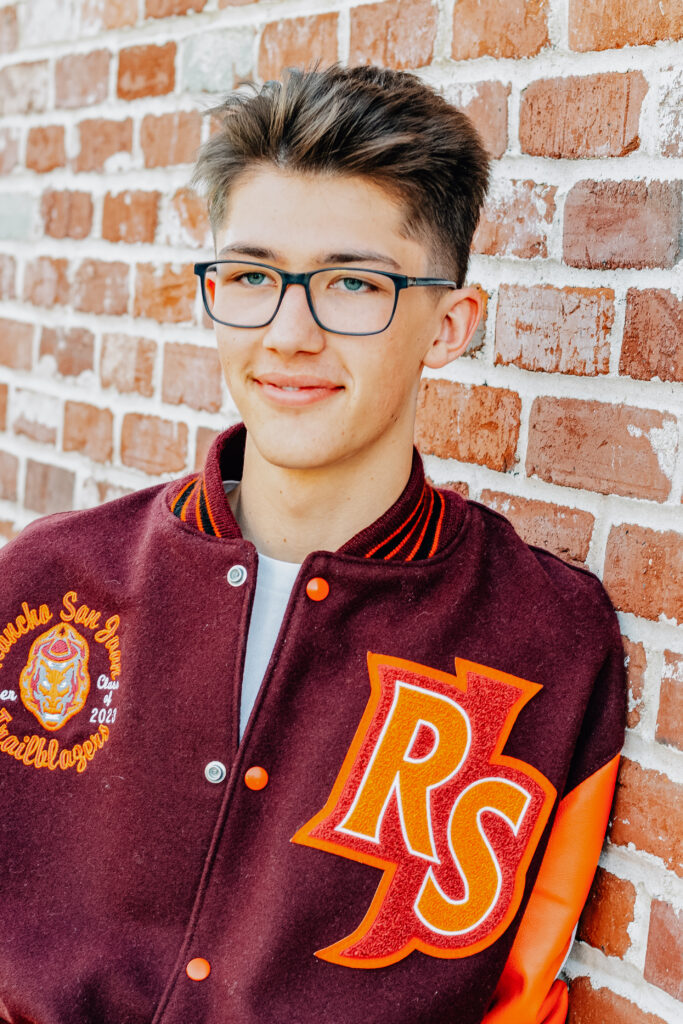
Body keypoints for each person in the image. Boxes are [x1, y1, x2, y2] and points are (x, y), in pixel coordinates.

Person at [0, 65, 625, 1024]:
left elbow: (520, 998)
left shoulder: (546, 637)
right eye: (250, 277)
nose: (289, 333)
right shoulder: (48, 580)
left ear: (447, 326)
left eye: (351, 284)